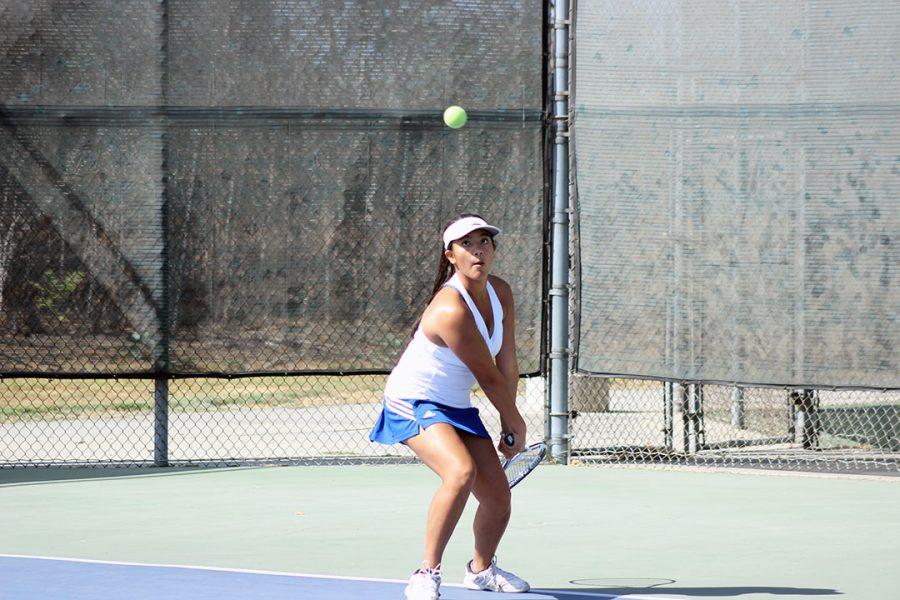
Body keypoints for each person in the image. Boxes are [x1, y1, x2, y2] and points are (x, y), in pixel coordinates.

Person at [369, 213, 531, 599]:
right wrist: (516, 423)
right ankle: (426, 572)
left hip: (454, 403)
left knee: (497, 496)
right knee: (460, 472)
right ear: (451, 255)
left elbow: (507, 363)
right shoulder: (450, 309)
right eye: (467, 244)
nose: (478, 250)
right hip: (415, 399)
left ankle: (481, 570)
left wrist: (510, 420)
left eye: (485, 242)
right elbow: (488, 376)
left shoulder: (501, 292)